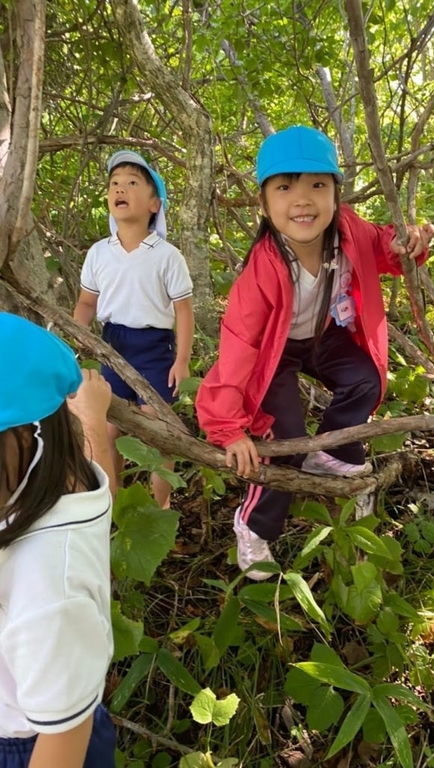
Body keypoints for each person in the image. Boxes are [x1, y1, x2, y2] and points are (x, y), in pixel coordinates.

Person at [196, 125, 434, 580]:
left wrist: (409, 244)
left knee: (364, 378)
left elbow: (385, 248)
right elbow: (239, 351)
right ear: (264, 204)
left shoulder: (347, 230)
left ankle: (333, 454)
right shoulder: (264, 270)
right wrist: (227, 427)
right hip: (274, 353)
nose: (302, 199)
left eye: (317, 185)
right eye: (285, 186)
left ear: (336, 196)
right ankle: (254, 527)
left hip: (324, 335)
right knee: (281, 440)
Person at [0, 312, 115, 768]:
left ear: (31, 440)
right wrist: (93, 419)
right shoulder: (63, 489)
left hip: (33, 743)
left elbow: (62, 746)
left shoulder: (50, 592)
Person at [74, 150, 195, 508]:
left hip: (155, 349)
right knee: (108, 427)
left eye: (131, 183)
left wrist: (183, 360)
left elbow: (183, 310)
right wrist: (77, 338)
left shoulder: (166, 255)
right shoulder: (99, 253)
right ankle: (114, 501)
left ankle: (161, 505)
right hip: (112, 346)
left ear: (154, 203)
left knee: (159, 429)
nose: (120, 189)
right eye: (114, 184)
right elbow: (86, 303)